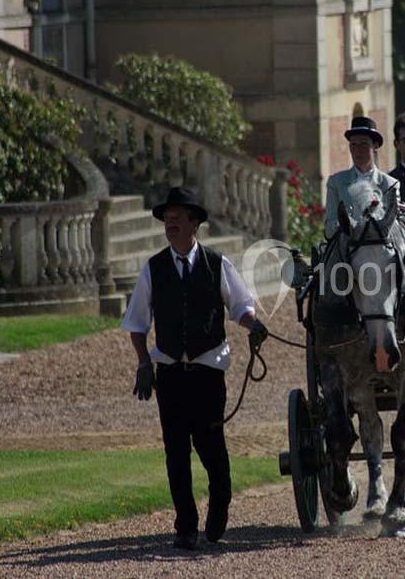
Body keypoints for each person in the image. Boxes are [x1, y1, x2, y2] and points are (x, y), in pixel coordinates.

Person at [121, 186, 268, 550]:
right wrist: (143, 363)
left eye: (177, 218)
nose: (170, 224)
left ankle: (220, 502)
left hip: (207, 372)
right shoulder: (153, 268)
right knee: (175, 452)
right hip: (169, 373)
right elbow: (137, 322)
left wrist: (254, 325)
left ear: (194, 223)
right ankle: (185, 525)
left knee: (211, 446)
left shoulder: (217, 264)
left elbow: (240, 306)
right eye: (167, 219)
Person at [324, 116, 400, 239]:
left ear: (375, 146)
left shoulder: (391, 184)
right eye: (353, 144)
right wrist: (352, 226)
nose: (358, 150)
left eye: (364, 144)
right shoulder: (336, 182)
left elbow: (395, 230)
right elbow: (329, 229)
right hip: (348, 251)